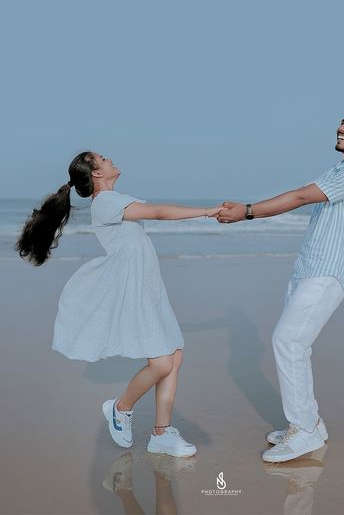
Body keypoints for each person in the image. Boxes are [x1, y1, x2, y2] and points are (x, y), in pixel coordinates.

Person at [16, 151, 221, 457]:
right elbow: (160, 212)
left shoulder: (113, 199)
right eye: (102, 158)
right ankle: (120, 408)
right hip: (134, 289)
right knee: (163, 362)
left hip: (148, 286)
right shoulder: (107, 202)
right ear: (96, 174)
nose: (110, 159)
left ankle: (161, 434)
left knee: (173, 357)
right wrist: (208, 211)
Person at [218, 108, 344, 462]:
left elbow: (299, 197)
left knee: (288, 341)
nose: (341, 128)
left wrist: (247, 211)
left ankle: (304, 431)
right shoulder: (342, 169)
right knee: (296, 345)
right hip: (309, 269)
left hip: (328, 272)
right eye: (342, 122)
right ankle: (311, 425)